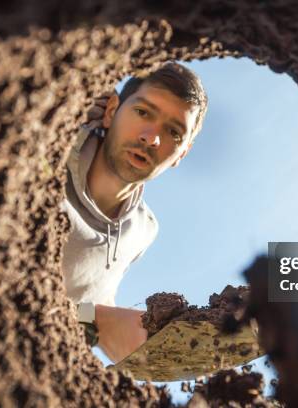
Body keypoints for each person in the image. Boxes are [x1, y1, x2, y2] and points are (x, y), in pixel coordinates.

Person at [60, 62, 208, 363]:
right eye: (143, 112)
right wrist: (99, 323)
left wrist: (129, 330)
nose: (151, 138)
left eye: (173, 132)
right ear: (112, 109)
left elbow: (94, 298)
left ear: (183, 153)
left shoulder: (143, 230)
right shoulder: (47, 161)